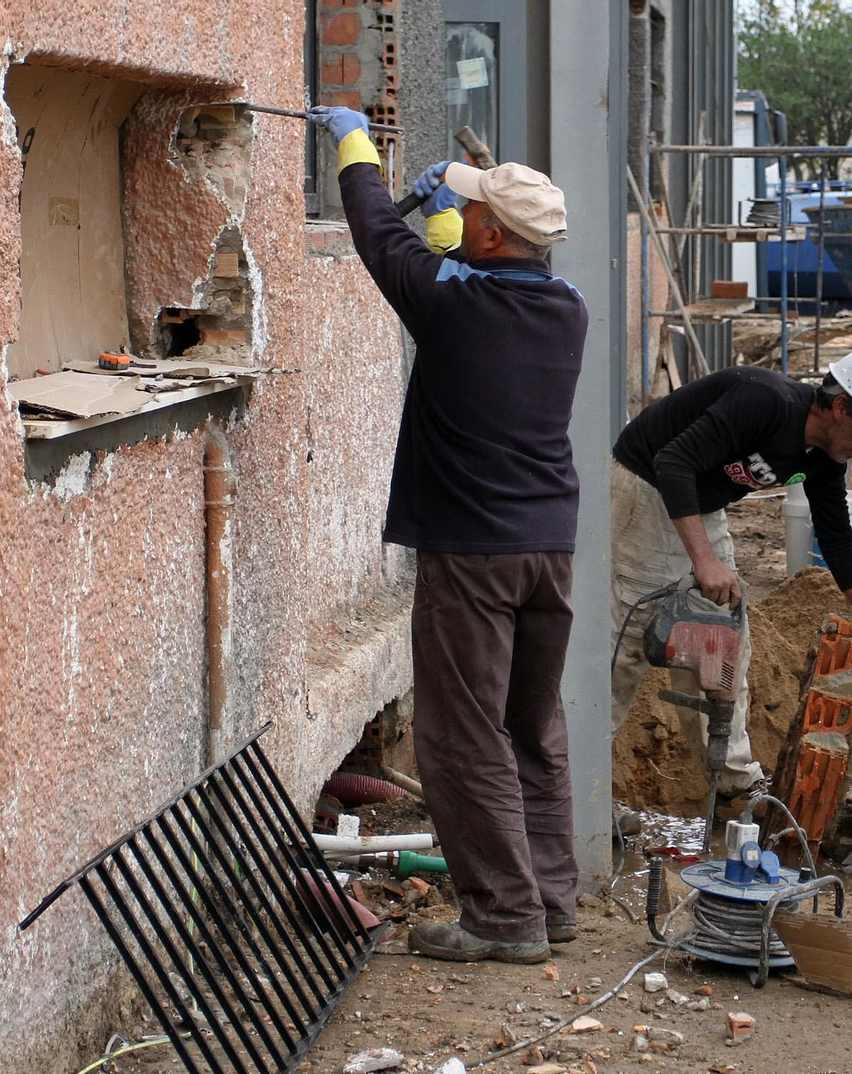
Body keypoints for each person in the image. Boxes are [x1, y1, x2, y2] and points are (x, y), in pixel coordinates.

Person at [310, 105, 587, 965]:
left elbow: (379, 241)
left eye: (471, 213)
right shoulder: (566, 306)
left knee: (465, 734)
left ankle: (505, 920)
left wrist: (356, 149)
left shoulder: (455, 306)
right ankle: (551, 899)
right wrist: (451, 222)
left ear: (496, 237)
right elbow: (453, 268)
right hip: (550, 547)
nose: (457, 216)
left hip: (475, 553)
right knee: (531, 725)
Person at [609, 358, 852, 799]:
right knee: (623, 646)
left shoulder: (824, 457)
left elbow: (836, 536)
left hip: (700, 504)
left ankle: (732, 786)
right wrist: (704, 562)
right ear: (840, 407)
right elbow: (672, 461)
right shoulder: (766, 402)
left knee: (721, 644)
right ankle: (572, 791)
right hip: (645, 488)